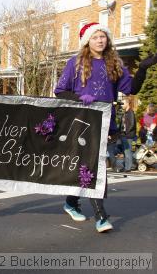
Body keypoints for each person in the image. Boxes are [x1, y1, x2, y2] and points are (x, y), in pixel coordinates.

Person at [54, 22, 157, 232]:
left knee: (91, 165)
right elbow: (60, 90)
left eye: (103, 37)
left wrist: (144, 68)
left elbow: (132, 88)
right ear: (87, 41)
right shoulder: (75, 63)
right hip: (81, 120)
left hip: (104, 121)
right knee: (94, 165)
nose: (100, 40)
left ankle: (71, 202)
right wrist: (80, 96)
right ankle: (101, 216)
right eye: (95, 37)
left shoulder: (114, 63)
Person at [119, 97, 137, 172]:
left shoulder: (130, 112)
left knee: (127, 151)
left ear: (127, 103)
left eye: (123, 104)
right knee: (124, 151)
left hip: (128, 135)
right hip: (123, 135)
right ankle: (126, 166)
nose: (121, 105)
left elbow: (132, 124)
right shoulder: (125, 112)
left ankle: (128, 168)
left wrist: (127, 132)